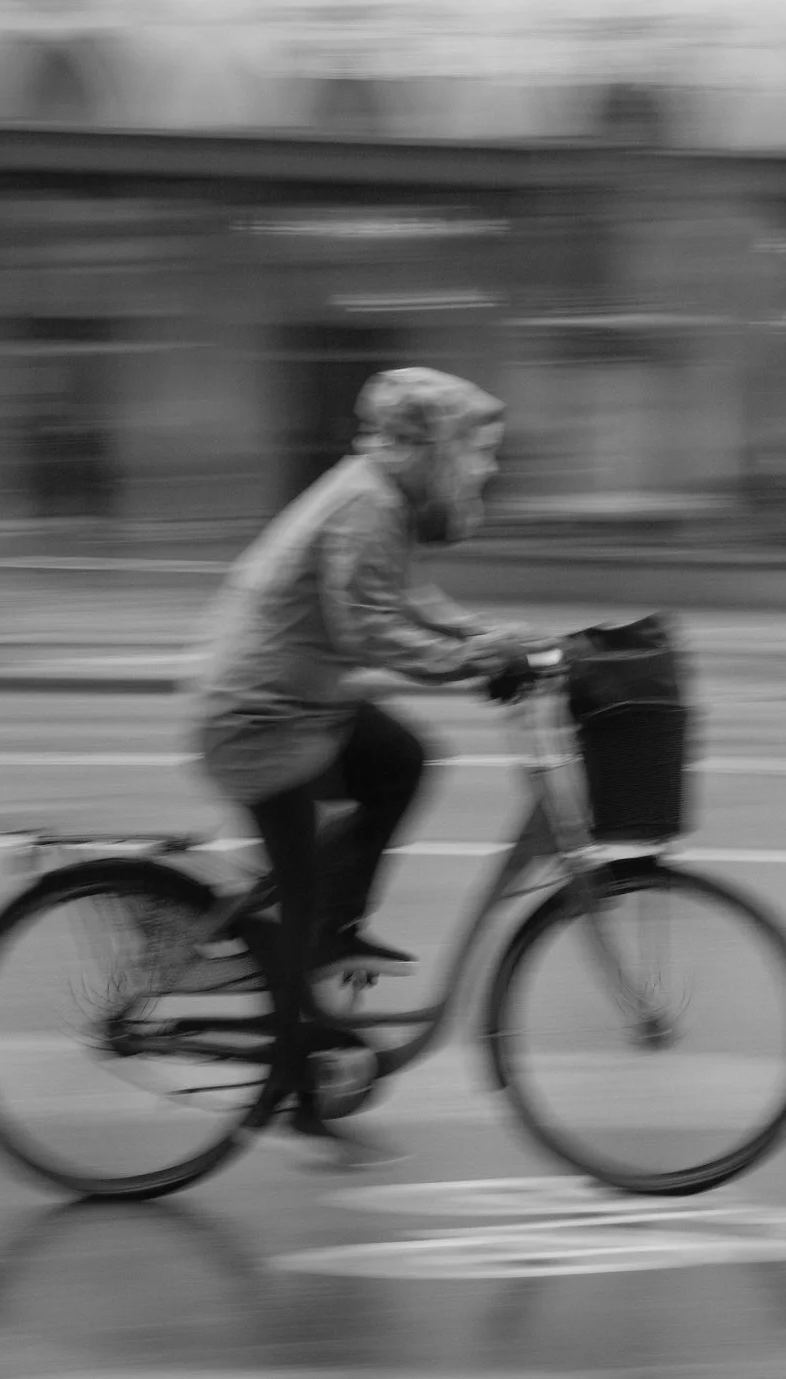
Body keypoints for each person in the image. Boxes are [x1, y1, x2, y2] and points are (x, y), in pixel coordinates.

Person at [185, 366, 545, 1167]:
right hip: (258, 719)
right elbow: (367, 631)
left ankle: (330, 933)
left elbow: (409, 601)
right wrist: (470, 665)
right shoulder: (366, 501)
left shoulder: (381, 500)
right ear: (432, 444)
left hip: (299, 703)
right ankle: (297, 1089)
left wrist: (489, 638)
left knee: (403, 758)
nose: (484, 468)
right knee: (299, 902)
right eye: (475, 450)